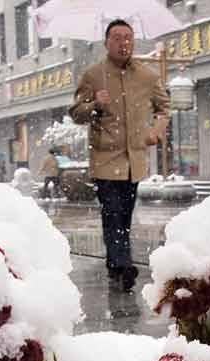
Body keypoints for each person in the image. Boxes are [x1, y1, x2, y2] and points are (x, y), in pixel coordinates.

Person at [69, 18, 170, 292]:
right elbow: (76, 113)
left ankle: (115, 264)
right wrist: (95, 105)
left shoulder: (147, 76)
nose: (123, 43)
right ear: (106, 42)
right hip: (104, 159)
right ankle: (124, 264)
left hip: (134, 160)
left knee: (124, 215)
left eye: (128, 37)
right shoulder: (94, 75)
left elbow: (163, 107)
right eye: (117, 38)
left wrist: (155, 131)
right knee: (112, 212)